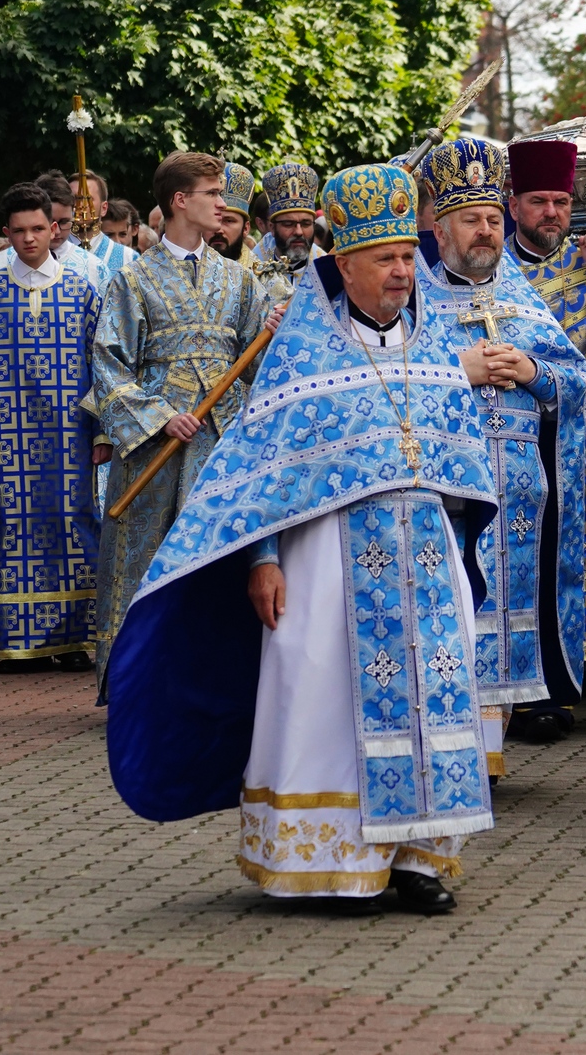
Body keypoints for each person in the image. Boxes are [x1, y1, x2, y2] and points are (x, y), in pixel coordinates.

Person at [105, 161, 498, 916]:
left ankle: (418, 856)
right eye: (384, 259)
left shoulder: (435, 341)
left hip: (423, 556)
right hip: (326, 562)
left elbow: (459, 453)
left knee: (430, 701)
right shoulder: (300, 354)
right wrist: (261, 558)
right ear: (342, 263)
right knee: (328, 702)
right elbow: (256, 469)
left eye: (407, 257)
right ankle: (338, 862)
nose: (401, 271)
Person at [415, 139, 586, 763]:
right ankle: (449, 751)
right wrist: (456, 368)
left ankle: (486, 756)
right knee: (452, 615)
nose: (485, 231)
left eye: (492, 219)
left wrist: (532, 369)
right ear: (440, 230)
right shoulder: (413, 299)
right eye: (471, 220)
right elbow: (387, 379)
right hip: (448, 489)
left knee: (505, 615)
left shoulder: (522, 299)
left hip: (518, 489)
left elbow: (573, 381)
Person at [92, 155, 275, 690]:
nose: (224, 204)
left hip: (222, 440)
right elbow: (108, 364)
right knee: (146, 561)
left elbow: (259, 366)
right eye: (213, 193)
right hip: (157, 446)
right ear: (180, 200)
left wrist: (276, 332)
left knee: (221, 558)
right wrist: (159, 416)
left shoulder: (241, 282)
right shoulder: (132, 280)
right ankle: (139, 683)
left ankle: (220, 681)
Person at [0, 183, 109, 673]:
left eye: (38, 228)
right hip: (6, 437)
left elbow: (102, 363)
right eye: (19, 231)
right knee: (11, 529)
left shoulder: (83, 291)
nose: (29, 239)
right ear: (6, 234)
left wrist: (103, 432)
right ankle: (18, 641)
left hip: (70, 435)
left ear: (55, 228)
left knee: (72, 524)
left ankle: (73, 639)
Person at [505, 137, 586, 679]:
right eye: (539, 201)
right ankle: (524, 672)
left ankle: (570, 669)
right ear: (514, 205)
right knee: (522, 544)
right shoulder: (494, 268)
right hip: (511, 421)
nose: (552, 213)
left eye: (560, 201)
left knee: (581, 542)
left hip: (582, 420)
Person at [250, 163, 323, 305]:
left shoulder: (327, 271)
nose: (299, 232)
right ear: (271, 227)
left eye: (306, 224)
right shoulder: (250, 271)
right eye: (288, 224)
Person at [72, 172, 136, 280]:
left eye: (88, 199)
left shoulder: (129, 258)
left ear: (104, 208)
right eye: (74, 199)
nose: (80, 205)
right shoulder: (51, 253)